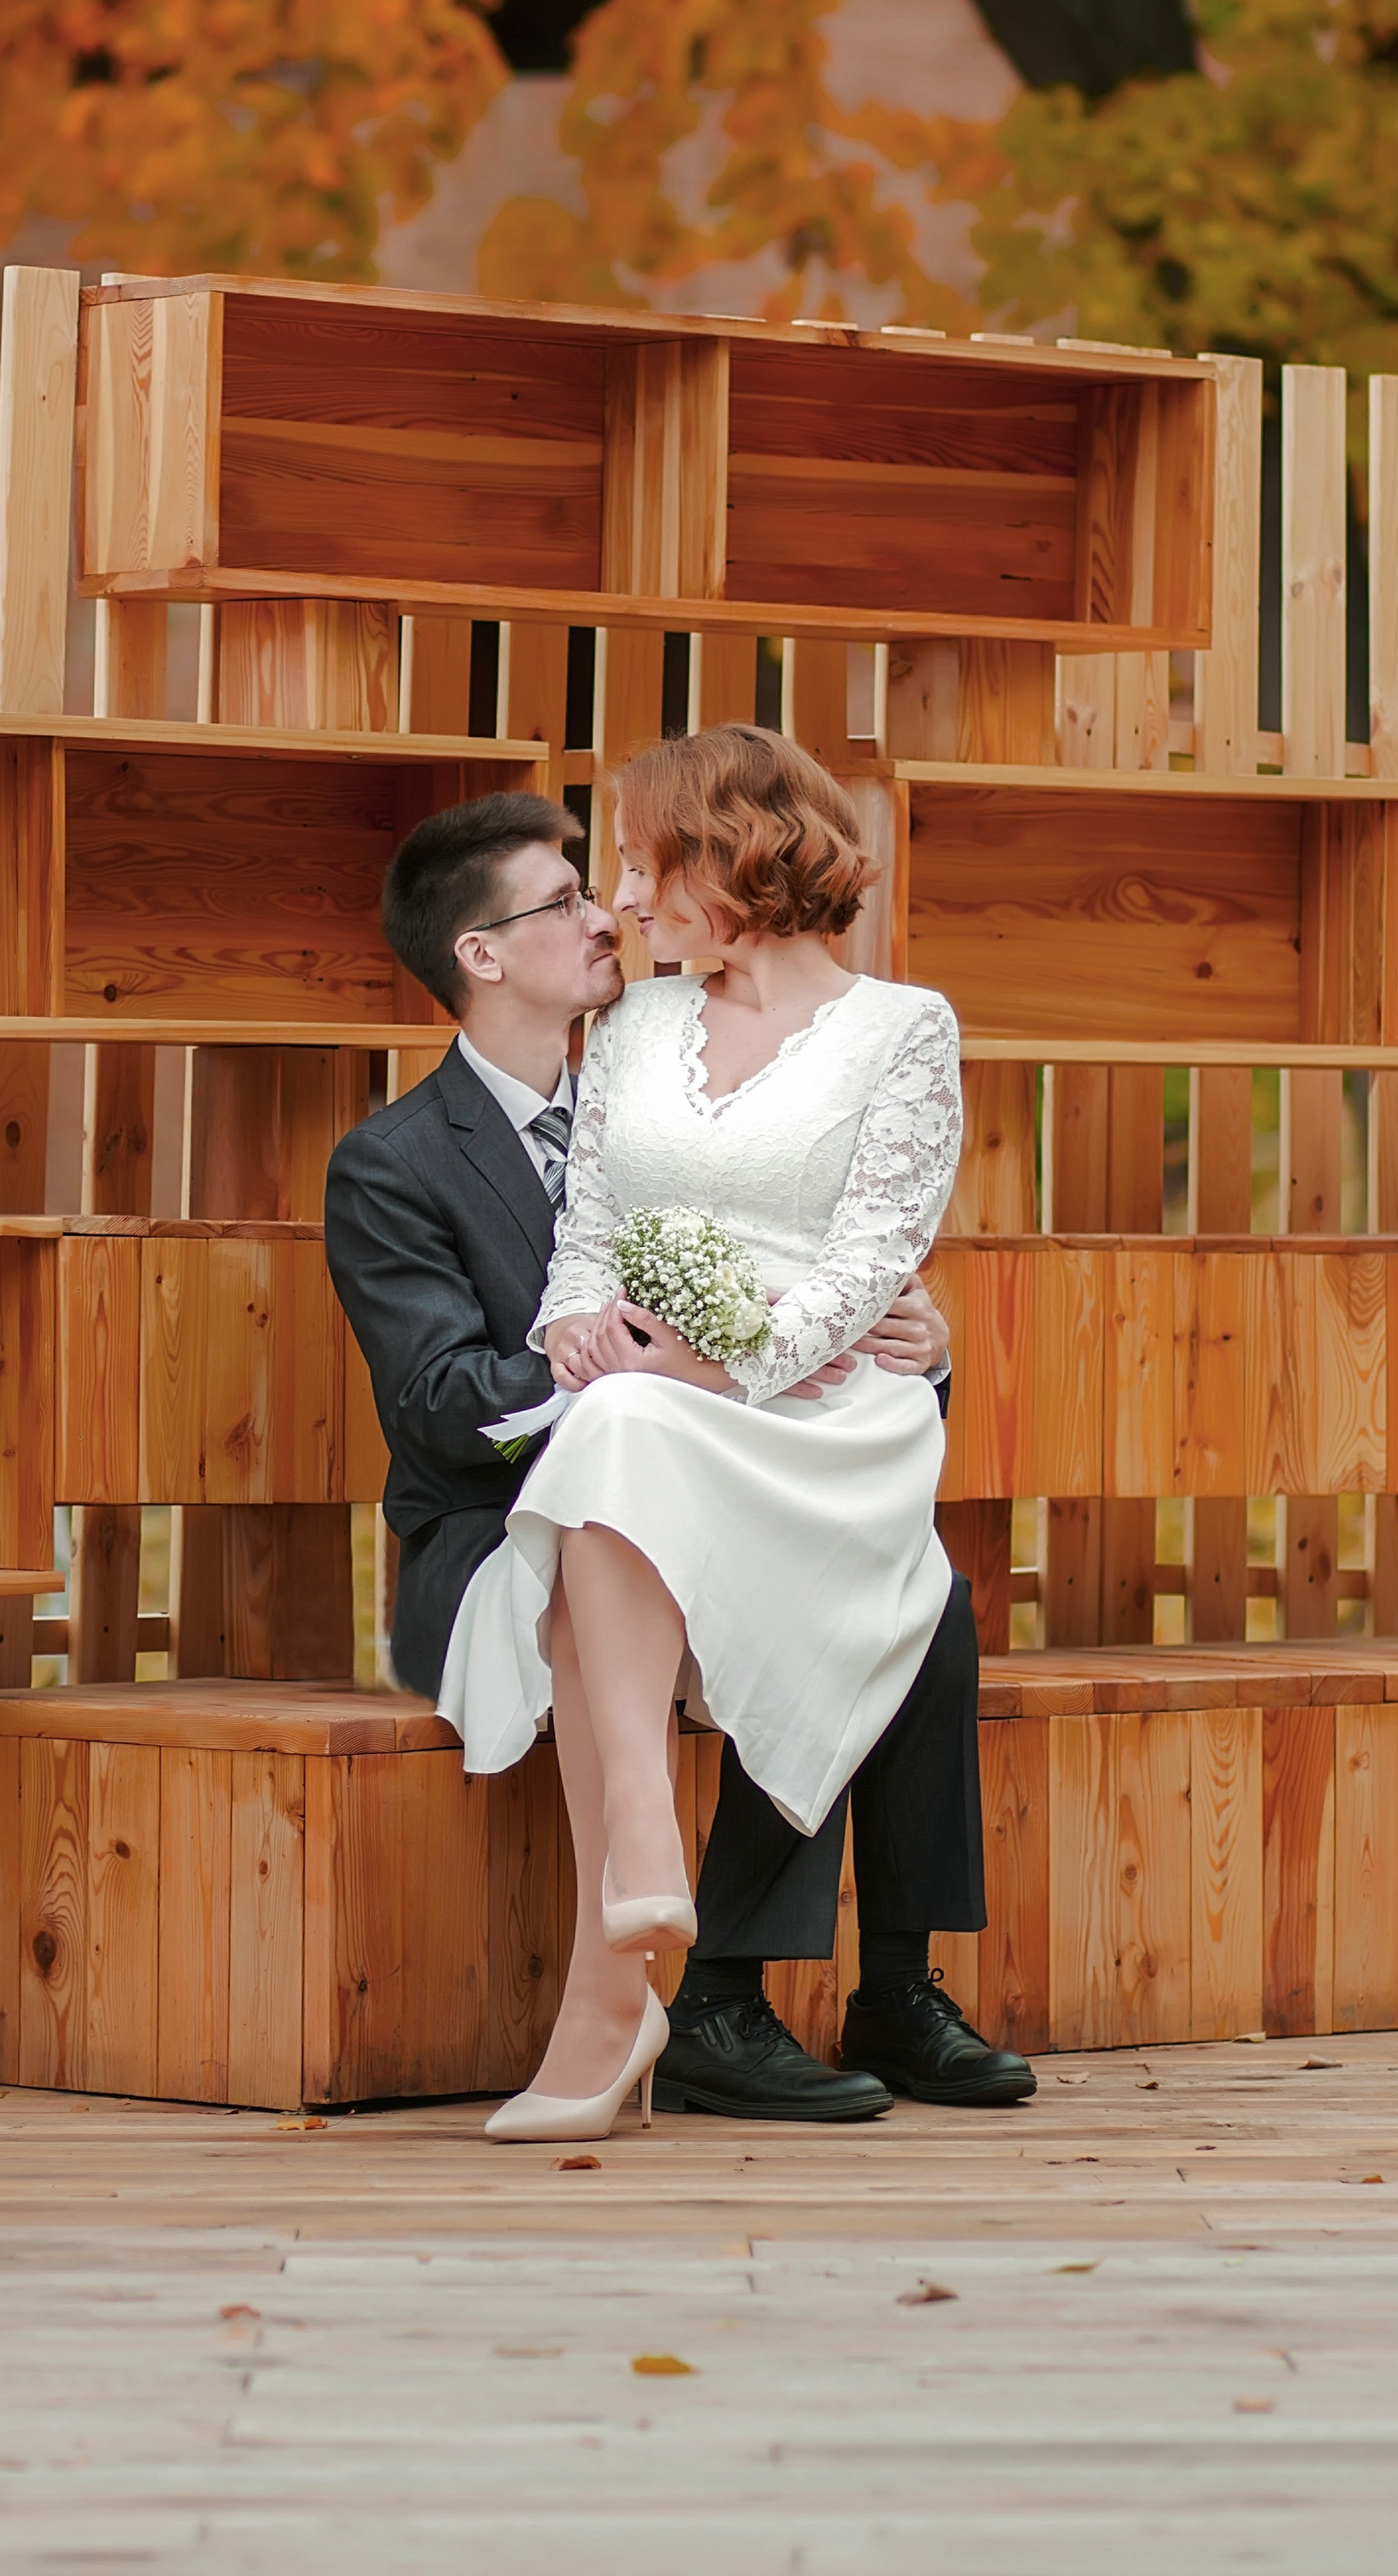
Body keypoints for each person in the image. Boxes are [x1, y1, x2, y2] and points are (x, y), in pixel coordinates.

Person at [324, 756, 1032, 2139]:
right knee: (699, 1508)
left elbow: (844, 1254)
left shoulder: (667, 1046)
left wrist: (881, 1345)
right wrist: (607, 1352)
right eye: (576, 897)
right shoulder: (402, 1159)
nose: (612, 914)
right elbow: (443, 1403)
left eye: (623, 882)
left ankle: (874, 1981)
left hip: (723, 1432)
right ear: (482, 955)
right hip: (521, 1497)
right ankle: (705, 1995)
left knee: (918, 1599)